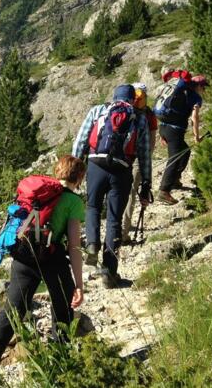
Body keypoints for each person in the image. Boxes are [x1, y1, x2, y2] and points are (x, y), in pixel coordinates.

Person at [0, 156, 87, 367]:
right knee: (63, 308)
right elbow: (74, 246)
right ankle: (61, 363)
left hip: (24, 256)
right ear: (80, 177)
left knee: (12, 311)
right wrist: (79, 285)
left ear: (57, 172)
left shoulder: (38, 194)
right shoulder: (73, 201)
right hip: (51, 258)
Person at [72, 84, 151, 288]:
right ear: (133, 100)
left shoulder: (98, 110)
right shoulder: (139, 118)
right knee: (114, 219)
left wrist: (75, 169)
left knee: (93, 207)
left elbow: (81, 141)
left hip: (96, 165)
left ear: (114, 96)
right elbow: (144, 154)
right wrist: (146, 183)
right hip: (122, 170)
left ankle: (91, 244)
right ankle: (109, 272)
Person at [156, 74, 207, 205]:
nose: (204, 91)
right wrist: (196, 136)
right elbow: (194, 118)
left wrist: (163, 135)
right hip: (174, 131)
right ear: (199, 86)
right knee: (174, 158)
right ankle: (164, 190)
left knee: (185, 151)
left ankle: (175, 180)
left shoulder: (181, 93)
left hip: (164, 127)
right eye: (204, 87)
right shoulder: (195, 97)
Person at [122, 83, 157, 244]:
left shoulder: (121, 110)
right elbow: (151, 142)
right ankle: (123, 233)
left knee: (120, 192)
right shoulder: (149, 114)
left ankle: (116, 229)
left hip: (120, 157)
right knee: (131, 193)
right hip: (138, 159)